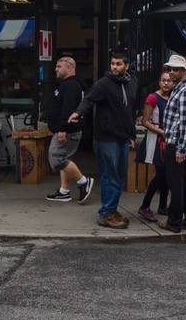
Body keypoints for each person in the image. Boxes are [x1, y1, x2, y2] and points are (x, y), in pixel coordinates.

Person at [82, 53, 141, 228]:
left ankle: (111, 209)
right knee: (110, 176)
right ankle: (106, 213)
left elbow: (130, 111)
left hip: (123, 137)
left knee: (120, 177)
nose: (114, 67)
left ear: (127, 66)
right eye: (113, 64)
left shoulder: (132, 85)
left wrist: (131, 135)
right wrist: (77, 113)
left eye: (118, 64)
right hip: (106, 137)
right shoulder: (104, 84)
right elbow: (88, 101)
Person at [158, 56, 186, 232]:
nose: (172, 72)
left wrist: (181, 148)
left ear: (184, 70)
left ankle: (174, 222)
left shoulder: (184, 91)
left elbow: (185, 122)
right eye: (170, 69)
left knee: (176, 185)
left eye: (176, 69)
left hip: (176, 144)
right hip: (176, 143)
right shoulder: (180, 88)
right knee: (183, 182)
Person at [41, 57, 93, 203]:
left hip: (67, 130)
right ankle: (64, 191)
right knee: (64, 158)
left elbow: (68, 108)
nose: (56, 69)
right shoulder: (71, 84)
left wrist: (62, 128)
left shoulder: (71, 85)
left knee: (56, 158)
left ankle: (83, 181)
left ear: (69, 68)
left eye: (59, 66)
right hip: (67, 129)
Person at [135, 69, 174, 224]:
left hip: (168, 138)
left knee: (165, 174)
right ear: (159, 82)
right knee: (161, 174)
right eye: (163, 80)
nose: (166, 83)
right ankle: (145, 206)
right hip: (156, 140)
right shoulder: (152, 98)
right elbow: (145, 122)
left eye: (169, 80)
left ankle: (163, 205)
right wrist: (162, 132)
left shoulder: (172, 97)